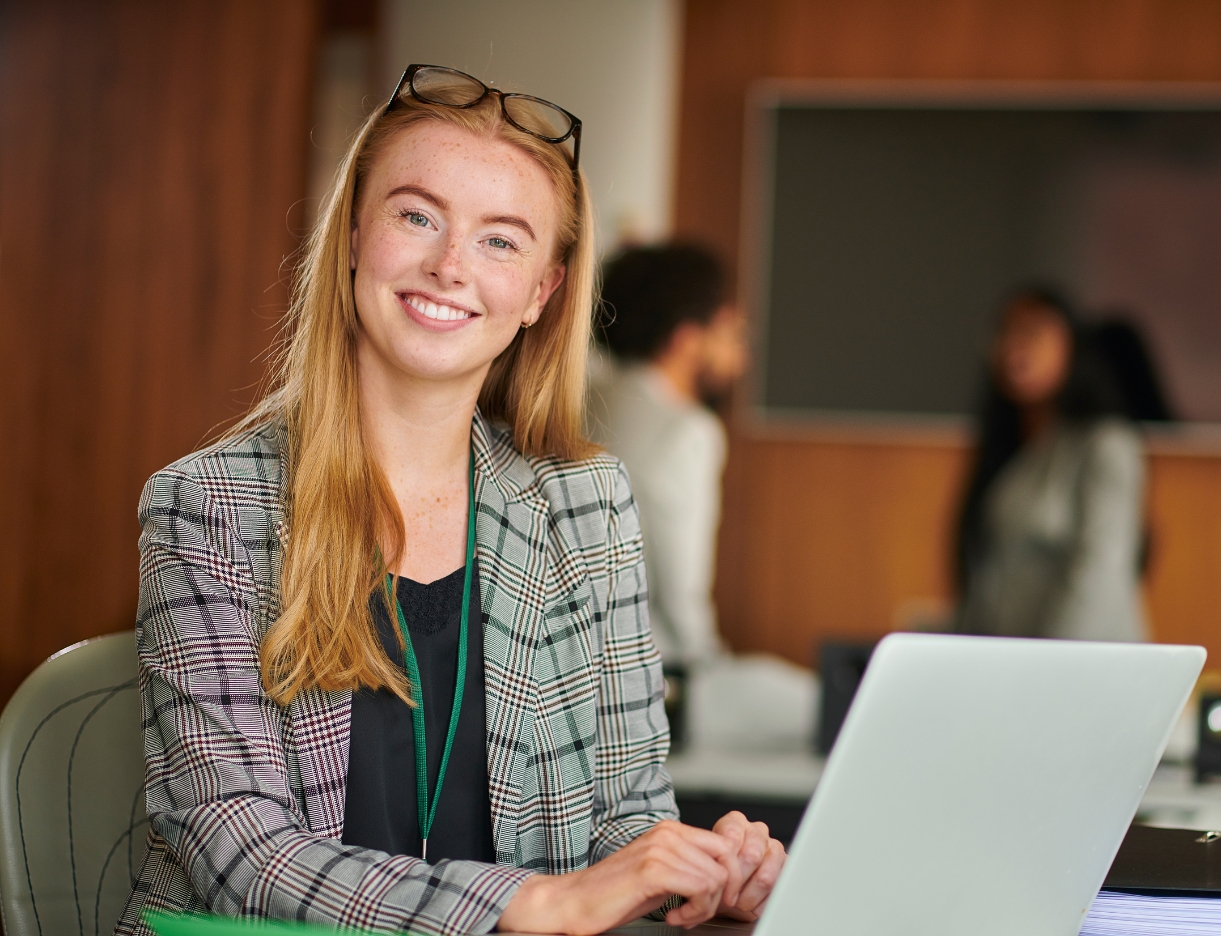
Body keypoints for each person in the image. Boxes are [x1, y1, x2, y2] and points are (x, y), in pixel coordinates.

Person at [117, 65, 784, 936]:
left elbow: (624, 814)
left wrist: (688, 869)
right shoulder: (209, 504)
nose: (449, 266)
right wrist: (529, 901)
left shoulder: (586, 504)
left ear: (542, 293)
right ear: (357, 233)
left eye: (501, 241)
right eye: (417, 216)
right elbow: (237, 845)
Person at [590, 245, 816, 751]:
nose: (743, 353)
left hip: (562, 670)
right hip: (650, 684)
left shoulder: (576, 401)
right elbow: (680, 591)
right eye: (734, 332)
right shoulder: (686, 430)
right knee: (824, 704)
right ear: (688, 338)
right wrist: (709, 666)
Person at [952, 287, 1148, 643]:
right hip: (1010, 662)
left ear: (1071, 346)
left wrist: (1053, 666)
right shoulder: (1008, 446)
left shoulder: (1105, 445)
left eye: (1033, 332)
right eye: (1005, 332)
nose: (1015, 347)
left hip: (1083, 663)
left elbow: (1102, 568)